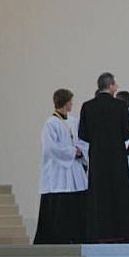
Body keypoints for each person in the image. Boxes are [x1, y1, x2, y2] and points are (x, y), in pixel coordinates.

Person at [78, 72, 129, 242]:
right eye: (115, 84)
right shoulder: (120, 106)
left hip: (97, 156)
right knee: (119, 192)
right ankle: (121, 231)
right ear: (110, 86)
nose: (116, 87)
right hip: (117, 155)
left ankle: (98, 232)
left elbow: (83, 133)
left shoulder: (87, 106)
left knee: (98, 193)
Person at [34, 88, 88, 244]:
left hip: (75, 171)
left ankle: (76, 236)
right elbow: (50, 148)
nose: (72, 104)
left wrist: (81, 151)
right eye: (70, 101)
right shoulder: (50, 124)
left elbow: (83, 142)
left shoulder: (73, 121)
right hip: (58, 172)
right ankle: (57, 239)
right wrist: (73, 152)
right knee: (59, 207)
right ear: (65, 102)